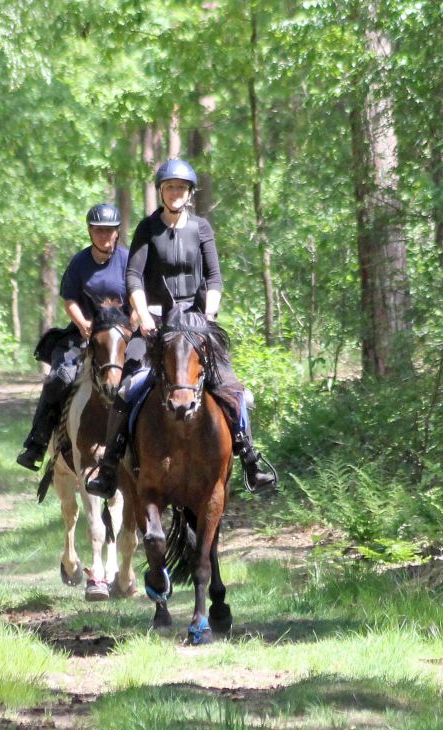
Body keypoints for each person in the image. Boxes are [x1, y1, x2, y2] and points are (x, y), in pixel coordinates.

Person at [85, 158, 278, 497]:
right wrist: (142, 313)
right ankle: (110, 466)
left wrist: (210, 313)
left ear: (189, 193)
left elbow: (214, 276)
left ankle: (249, 458)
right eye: (169, 187)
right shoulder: (148, 228)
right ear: (161, 191)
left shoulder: (201, 228)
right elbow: (133, 275)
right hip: (156, 324)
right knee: (128, 388)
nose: (175, 193)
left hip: (196, 323)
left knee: (234, 391)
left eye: (181, 187)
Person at [16, 203, 131, 470]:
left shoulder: (127, 260)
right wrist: (83, 323)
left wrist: (132, 324)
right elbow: (69, 299)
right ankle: (38, 442)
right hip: (85, 334)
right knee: (60, 377)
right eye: (99, 230)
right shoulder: (80, 263)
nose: (105, 236)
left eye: (110, 231)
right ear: (90, 232)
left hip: (121, 337)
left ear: (117, 232)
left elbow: (138, 295)